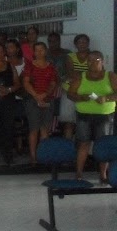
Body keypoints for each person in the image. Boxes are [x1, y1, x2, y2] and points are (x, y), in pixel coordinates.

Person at [67, 51, 117, 182]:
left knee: (103, 145)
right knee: (83, 144)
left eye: (96, 60)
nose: (92, 62)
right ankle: (78, 174)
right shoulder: (80, 77)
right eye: (89, 60)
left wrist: (106, 98)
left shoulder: (110, 76)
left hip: (104, 116)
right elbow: (70, 94)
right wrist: (81, 97)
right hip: (84, 115)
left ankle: (103, 174)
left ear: (102, 61)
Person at [23, 42, 57, 165]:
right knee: (34, 129)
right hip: (33, 99)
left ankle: (43, 155)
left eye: (41, 50)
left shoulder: (51, 66)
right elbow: (26, 83)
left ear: (46, 51)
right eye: (36, 50)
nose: (39, 52)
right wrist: (36, 96)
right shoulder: (29, 66)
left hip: (48, 98)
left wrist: (45, 94)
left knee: (45, 129)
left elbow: (53, 83)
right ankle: (33, 156)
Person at [60, 34, 91, 139]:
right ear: (75, 44)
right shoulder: (70, 56)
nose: (82, 44)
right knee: (69, 121)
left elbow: (95, 73)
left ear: (88, 44)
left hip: (86, 91)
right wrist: (85, 74)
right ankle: (68, 148)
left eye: (84, 42)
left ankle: (82, 148)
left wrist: (79, 74)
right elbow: (70, 73)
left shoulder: (93, 56)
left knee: (85, 121)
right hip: (69, 90)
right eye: (80, 42)